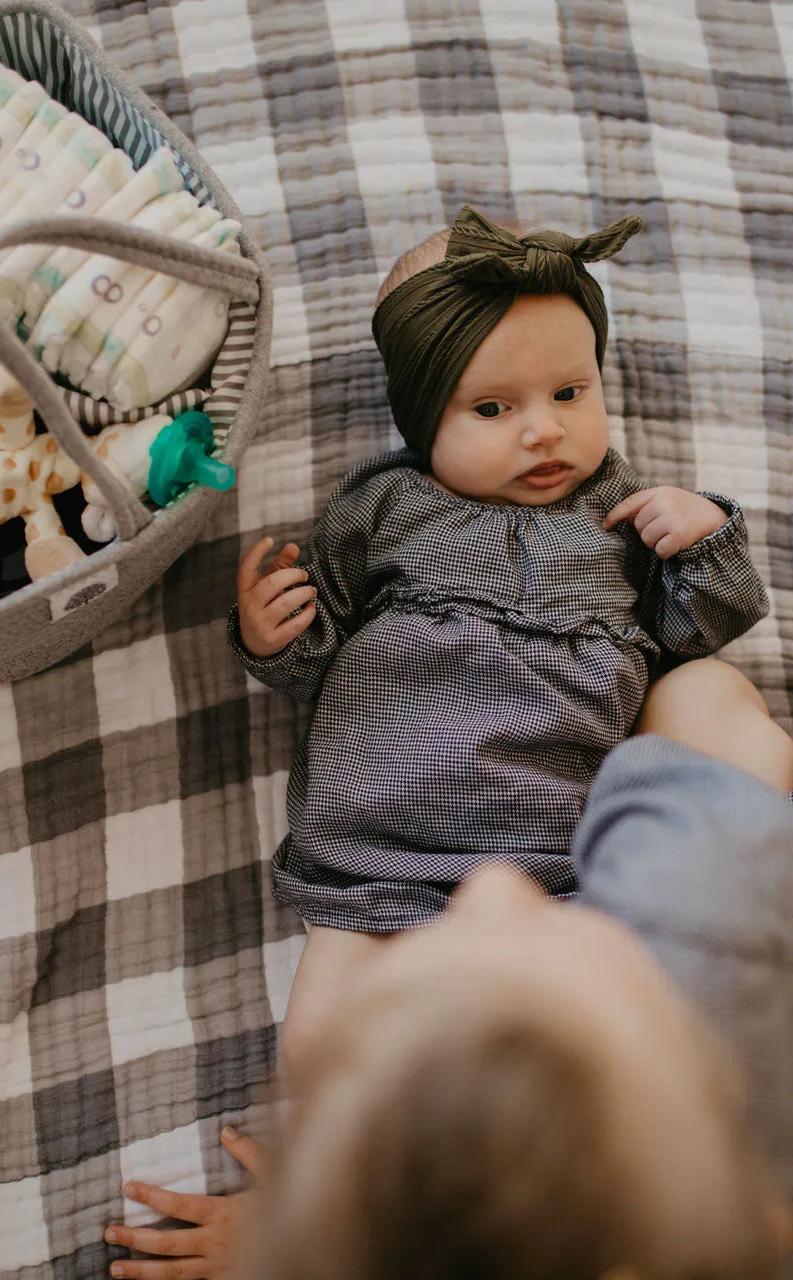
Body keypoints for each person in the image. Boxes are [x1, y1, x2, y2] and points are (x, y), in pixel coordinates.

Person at [228, 207, 770, 1065]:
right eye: (491, 406)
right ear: (421, 419)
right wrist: (272, 638)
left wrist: (705, 538)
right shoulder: (384, 506)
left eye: (569, 393)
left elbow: (692, 634)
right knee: (319, 1052)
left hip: (556, 862)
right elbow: (317, 656)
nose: (544, 430)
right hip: (380, 853)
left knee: (576, 1037)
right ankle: (329, 1179)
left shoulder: (622, 511)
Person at [104, 658, 793, 1278]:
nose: (491, 881)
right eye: (529, 954)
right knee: (700, 692)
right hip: (704, 920)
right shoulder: (709, 910)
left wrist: (351, 1240)